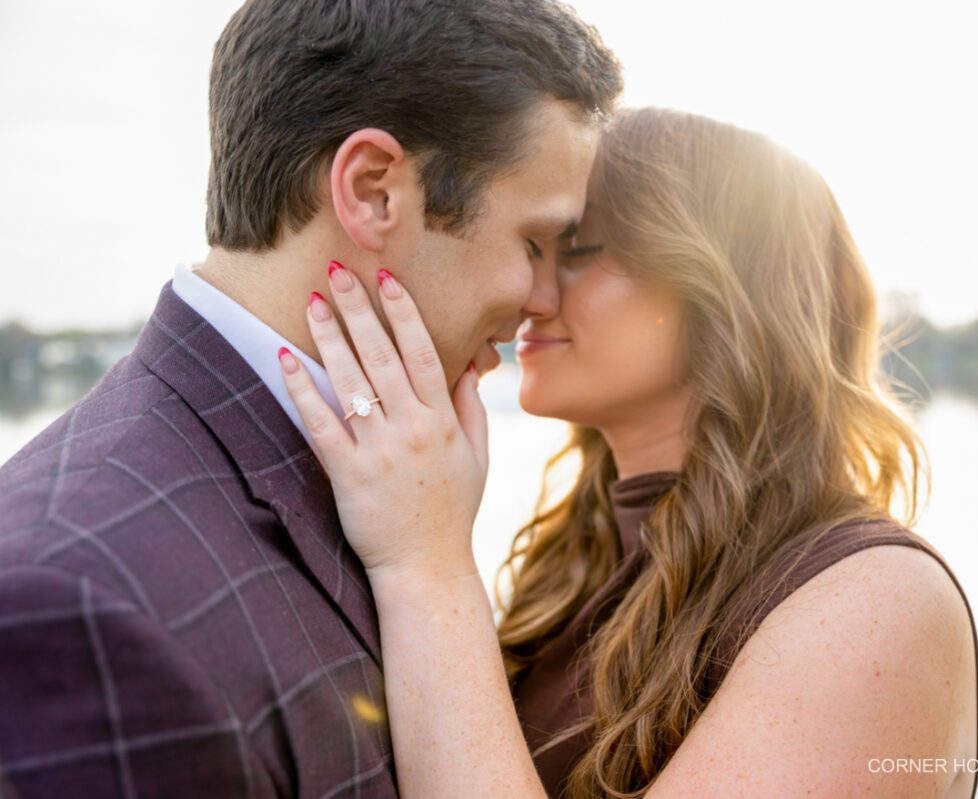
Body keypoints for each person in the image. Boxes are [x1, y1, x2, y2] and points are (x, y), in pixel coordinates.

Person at [0, 1, 621, 796]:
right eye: (533, 241)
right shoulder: (76, 609)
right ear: (372, 191)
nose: (542, 296)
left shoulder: (392, 482)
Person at [279, 107, 978, 798]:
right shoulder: (576, 564)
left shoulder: (873, 604)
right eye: (533, 247)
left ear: (726, 290)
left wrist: (426, 560)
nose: (531, 292)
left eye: (577, 250)